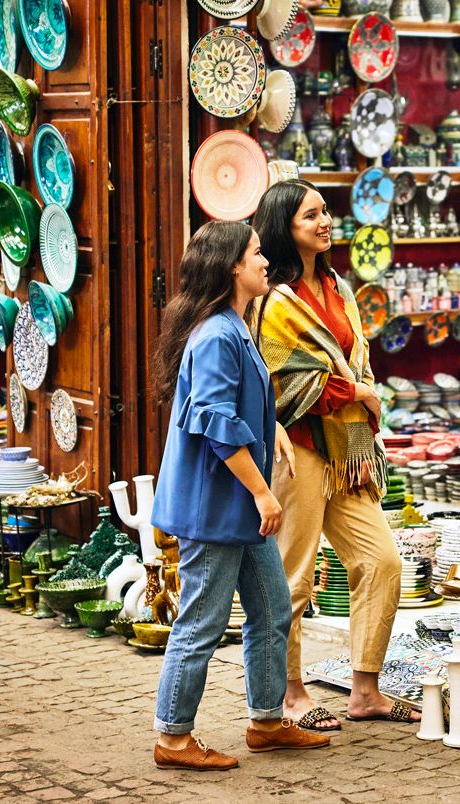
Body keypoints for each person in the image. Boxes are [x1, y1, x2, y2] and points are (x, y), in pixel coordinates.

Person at [149, 220, 330, 770]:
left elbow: (239, 402)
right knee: (201, 621)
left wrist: (271, 425)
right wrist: (263, 495)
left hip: (236, 507)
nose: (264, 260)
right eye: (255, 253)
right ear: (231, 266)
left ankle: (267, 721)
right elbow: (213, 423)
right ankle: (173, 738)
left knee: (273, 608)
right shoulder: (218, 334)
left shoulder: (233, 324)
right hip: (218, 506)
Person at [253, 180, 418, 731]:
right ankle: (291, 693)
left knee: (381, 561)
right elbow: (283, 382)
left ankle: (365, 690)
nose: (326, 222)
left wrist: (359, 393)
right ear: (285, 228)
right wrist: (357, 394)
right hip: (298, 450)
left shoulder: (338, 288)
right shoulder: (275, 301)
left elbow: (355, 362)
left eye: (325, 212)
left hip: (346, 451)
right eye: (310, 216)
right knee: (292, 578)